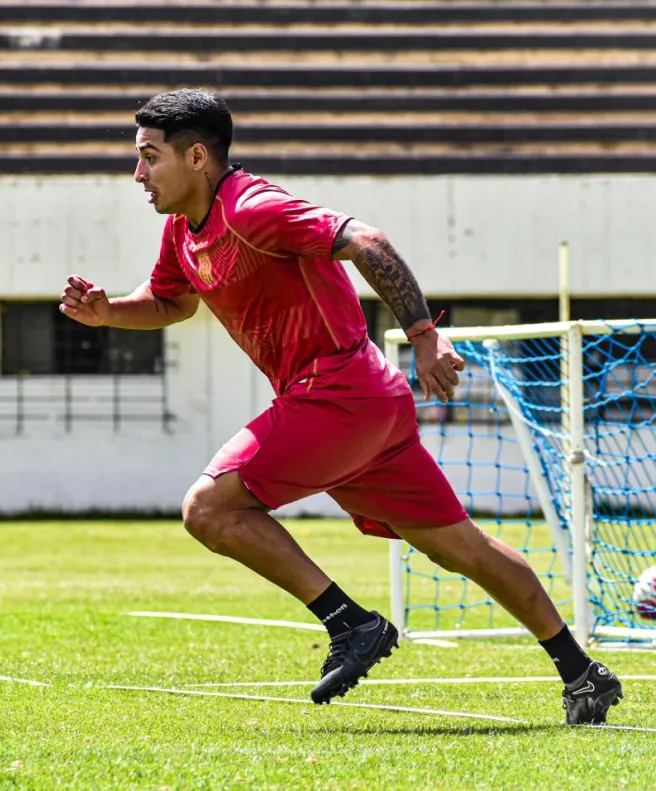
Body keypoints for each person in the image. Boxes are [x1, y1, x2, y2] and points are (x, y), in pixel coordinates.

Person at [58, 88, 622, 725]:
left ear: (196, 157)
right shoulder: (183, 232)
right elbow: (170, 302)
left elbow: (369, 242)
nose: (138, 173)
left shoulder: (252, 208)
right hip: (360, 407)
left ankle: (351, 625)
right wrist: (107, 312)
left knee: (208, 508)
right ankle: (584, 673)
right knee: (461, 548)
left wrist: (425, 337)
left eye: (148, 157)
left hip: (338, 394)